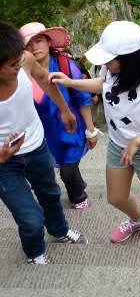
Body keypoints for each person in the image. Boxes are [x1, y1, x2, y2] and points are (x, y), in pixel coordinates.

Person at [50, 21, 140, 245]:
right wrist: (71, 82)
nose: (104, 63)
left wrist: (139, 141)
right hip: (118, 143)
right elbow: (103, 84)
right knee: (115, 197)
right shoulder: (112, 69)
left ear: (129, 59)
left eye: (109, 59)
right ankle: (138, 220)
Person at [0, 21, 87, 265]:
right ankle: (35, 253)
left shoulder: (25, 59)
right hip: (5, 164)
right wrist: (2, 155)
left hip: (37, 147)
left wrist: (64, 109)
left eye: (20, 60)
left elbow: (45, 81)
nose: (21, 65)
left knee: (51, 193)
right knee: (30, 217)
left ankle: (59, 230)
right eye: (12, 66)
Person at [20, 22, 98, 210]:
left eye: (38, 41)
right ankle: (78, 182)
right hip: (45, 131)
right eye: (28, 44)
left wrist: (90, 130)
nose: (34, 47)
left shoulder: (66, 65)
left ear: (48, 42)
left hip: (72, 126)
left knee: (67, 171)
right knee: (63, 164)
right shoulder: (21, 72)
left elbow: (82, 98)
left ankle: (78, 197)